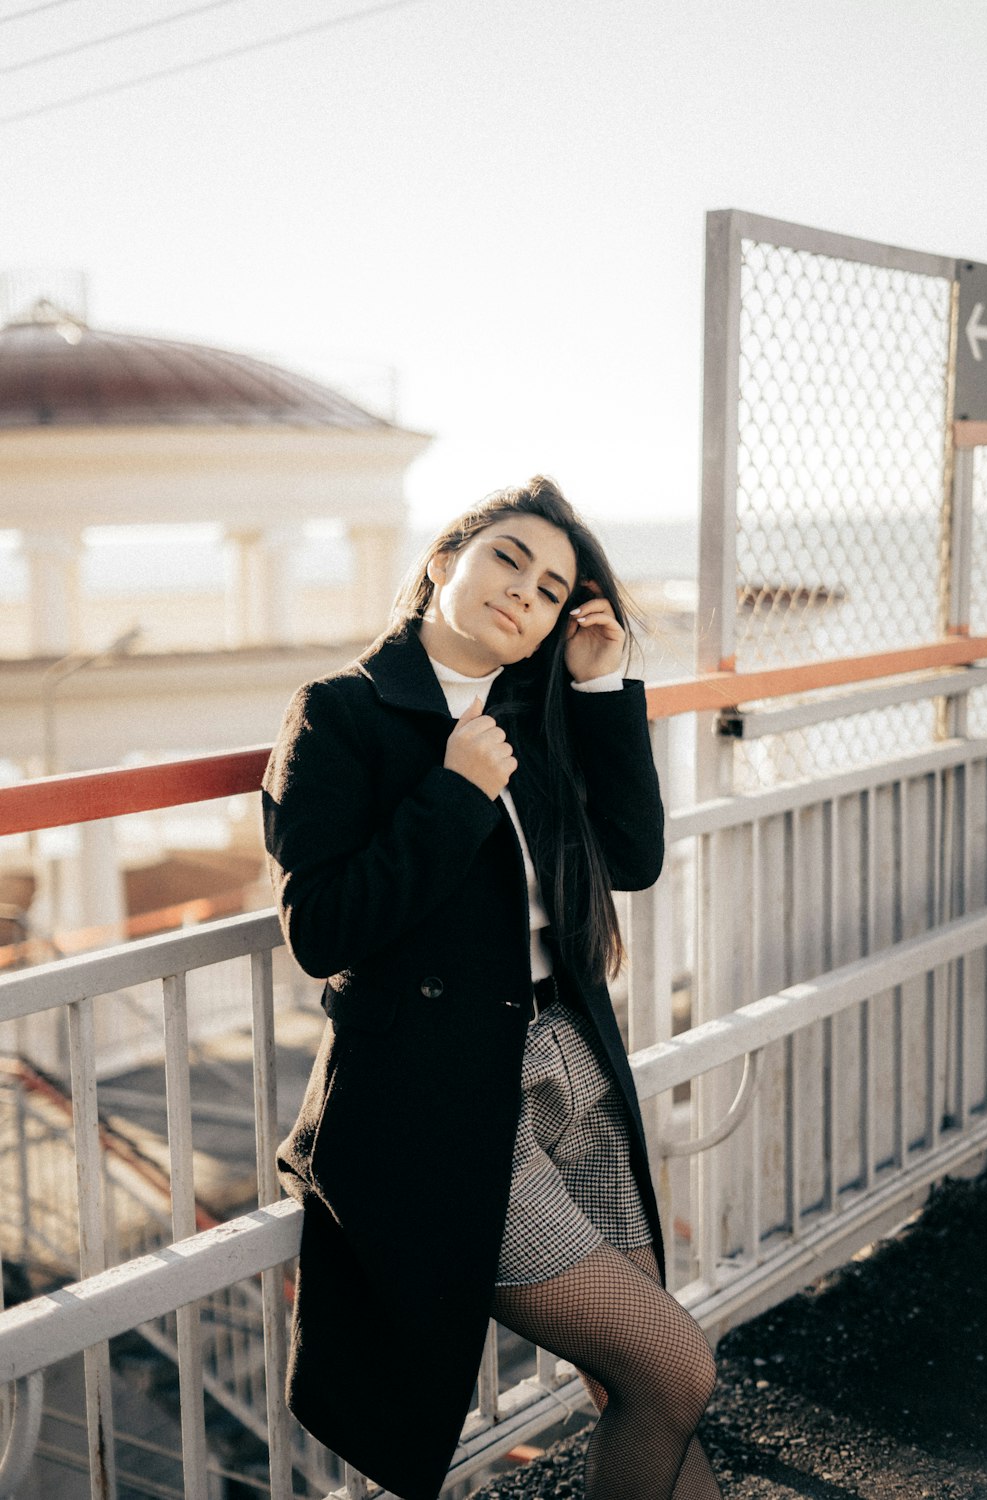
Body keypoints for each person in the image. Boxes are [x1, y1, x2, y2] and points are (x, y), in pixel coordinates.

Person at [263, 476, 720, 1500]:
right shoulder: (340, 713)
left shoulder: (533, 710)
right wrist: (455, 792)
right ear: (443, 561)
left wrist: (598, 690)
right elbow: (320, 927)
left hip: (570, 1054)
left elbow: (633, 858)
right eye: (507, 559)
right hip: (441, 1095)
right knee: (676, 1365)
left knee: (641, 1383)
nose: (525, 593)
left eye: (552, 587)